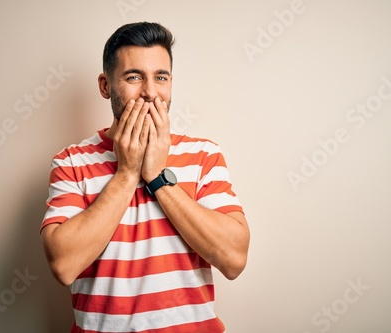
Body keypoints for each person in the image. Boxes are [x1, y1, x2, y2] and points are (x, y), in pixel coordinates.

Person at [40, 21, 250, 333]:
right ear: (105, 85)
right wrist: (126, 173)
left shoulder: (204, 155)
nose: (151, 93)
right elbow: (64, 266)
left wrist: (156, 177)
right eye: (134, 77)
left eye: (160, 77)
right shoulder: (71, 161)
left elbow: (233, 259)